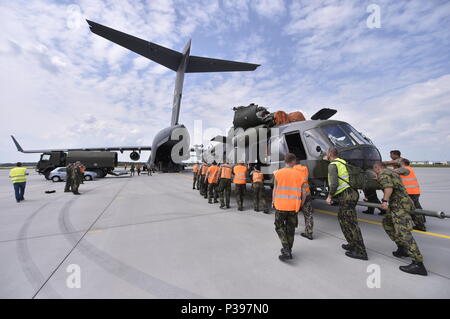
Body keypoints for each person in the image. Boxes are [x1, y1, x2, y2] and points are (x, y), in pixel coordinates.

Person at [373, 161, 427, 276]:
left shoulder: (383, 174)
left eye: (375, 170)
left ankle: (418, 263)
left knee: (403, 232)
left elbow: (388, 187)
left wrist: (385, 201)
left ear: (377, 168)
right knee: (387, 223)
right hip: (397, 205)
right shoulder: (390, 173)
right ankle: (402, 248)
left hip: (400, 205)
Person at [326, 147, 368, 260]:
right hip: (351, 193)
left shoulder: (333, 165)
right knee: (342, 218)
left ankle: (361, 251)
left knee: (351, 223)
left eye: (327, 154)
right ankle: (352, 243)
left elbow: (334, 183)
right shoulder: (342, 162)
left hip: (346, 195)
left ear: (330, 154)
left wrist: (329, 196)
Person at [272, 153, 305, 261]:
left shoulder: (278, 173)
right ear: (293, 161)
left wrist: (273, 201)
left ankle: (286, 249)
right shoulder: (300, 174)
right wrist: (301, 203)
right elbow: (304, 192)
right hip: (293, 206)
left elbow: (275, 190)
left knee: (279, 226)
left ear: (285, 161)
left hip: (280, 205)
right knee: (290, 229)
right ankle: (288, 249)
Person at [393, 158, 426, 231]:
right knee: (416, 208)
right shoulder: (409, 168)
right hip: (414, 192)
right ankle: (421, 223)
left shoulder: (404, 169)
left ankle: (420, 225)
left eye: (399, 161)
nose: (398, 162)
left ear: (402, 163)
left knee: (412, 209)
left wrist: (383, 168)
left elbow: (393, 171)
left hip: (410, 192)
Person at [294, 163, 313, 240]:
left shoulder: (293, 169)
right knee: (308, 214)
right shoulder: (305, 168)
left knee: (293, 213)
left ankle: (292, 230)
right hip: (307, 192)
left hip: (297, 193)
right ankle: (309, 232)